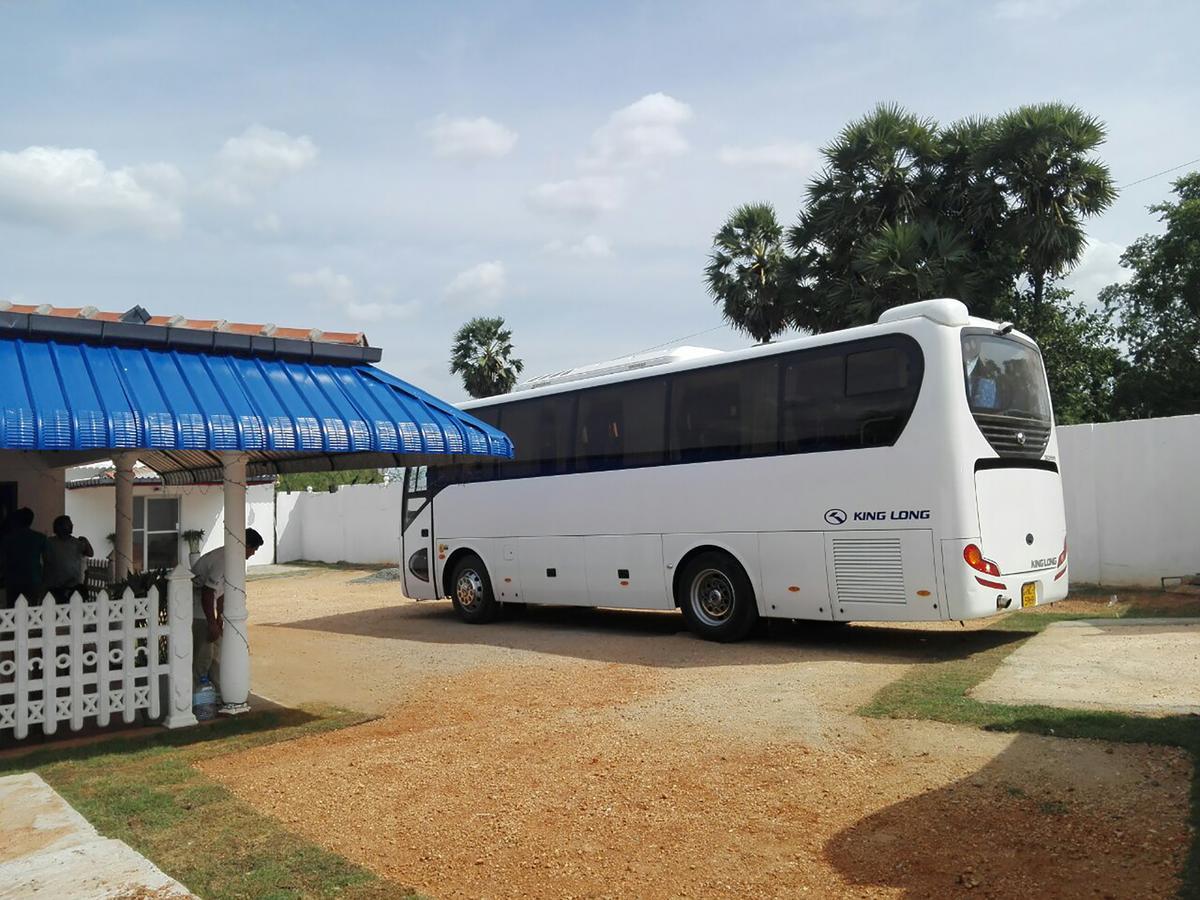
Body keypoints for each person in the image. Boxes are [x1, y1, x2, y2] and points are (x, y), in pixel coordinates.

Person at [191, 527, 265, 692]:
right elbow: (208, 593)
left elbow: (222, 591)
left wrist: (219, 619)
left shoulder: (233, 559)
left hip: (209, 610)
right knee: (203, 658)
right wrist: (211, 623)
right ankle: (197, 698)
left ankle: (219, 693)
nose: (253, 553)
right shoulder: (224, 559)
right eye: (253, 548)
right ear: (245, 545)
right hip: (198, 611)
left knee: (217, 655)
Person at [0, 508, 48, 606]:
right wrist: (44, 580)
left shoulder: (8, 538)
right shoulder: (40, 537)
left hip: (13, 579)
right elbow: (48, 561)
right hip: (33, 578)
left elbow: (2, 560)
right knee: (32, 609)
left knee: (13, 610)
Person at [43, 515, 95, 602]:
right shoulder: (49, 542)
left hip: (72, 586)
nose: (71, 526)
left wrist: (86, 541)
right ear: (59, 526)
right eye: (68, 524)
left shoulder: (76, 542)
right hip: (54, 586)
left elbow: (90, 553)